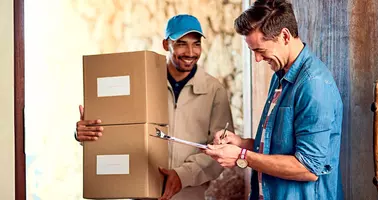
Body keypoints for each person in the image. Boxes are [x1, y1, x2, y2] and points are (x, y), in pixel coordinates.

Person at [75, 14, 234, 200]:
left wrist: (183, 175)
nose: (191, 52)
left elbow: (222, 149)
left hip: (189, 195)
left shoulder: (213, 90)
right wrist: (85, 134)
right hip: (142, 194)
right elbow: (118, 129)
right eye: (182, 43)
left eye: (196, 43)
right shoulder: (141, 84)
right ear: (166, 45)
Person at [203, 0, 344, 199]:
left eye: (260, 50)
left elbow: (308, 168)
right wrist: (241, 144)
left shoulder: (314, 85)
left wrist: (242, 156)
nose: (258, 60)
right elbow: (278, 148)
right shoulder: (279, 75)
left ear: (285, 36)